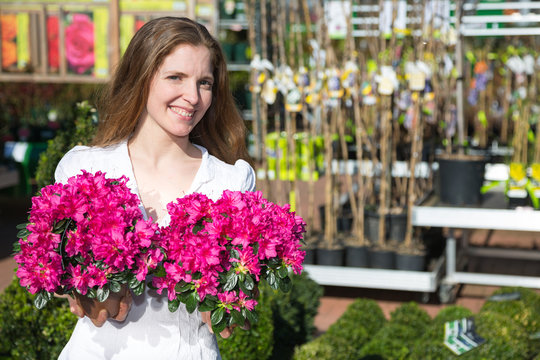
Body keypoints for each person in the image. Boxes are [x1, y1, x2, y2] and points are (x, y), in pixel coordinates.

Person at [55, 16, 256, 359]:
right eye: (175, 77)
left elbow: (236, 303)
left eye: (204, 83)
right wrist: (78, 291)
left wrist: (234, 305)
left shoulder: (231, 181)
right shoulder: (83, 168)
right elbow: (60, 273)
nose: (192, 97)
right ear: (142, 77)